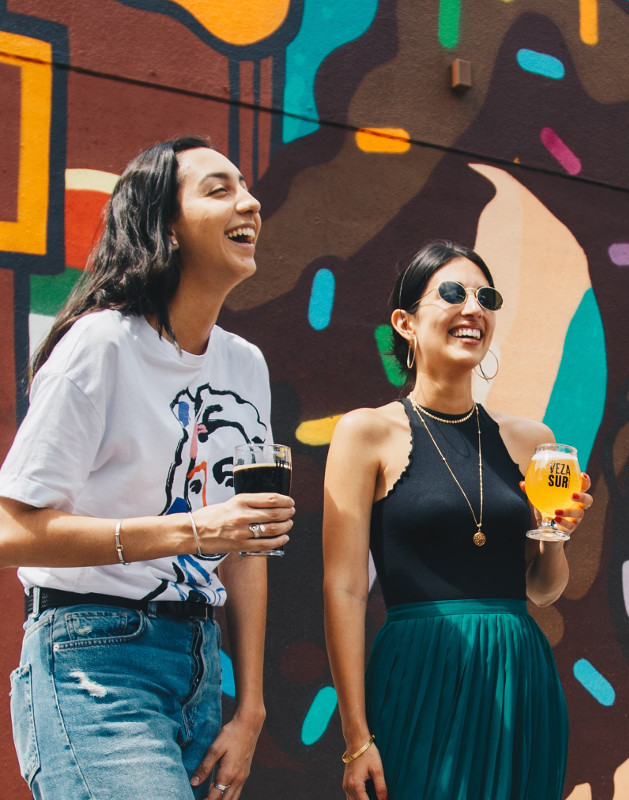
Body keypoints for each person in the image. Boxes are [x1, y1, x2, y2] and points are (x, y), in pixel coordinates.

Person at [0, 137, 294, 800]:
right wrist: (193, 531)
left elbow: (244, 546)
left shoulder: (245, 366)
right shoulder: (101, 345)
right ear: (165, 225)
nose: (248, 201)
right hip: (92, 656)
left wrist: (250, 710)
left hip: (196, 663)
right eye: (218, 189)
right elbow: (11, 530)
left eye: (245, 188)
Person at [322, 240, 592, 800]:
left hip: (518, 673)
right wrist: (355, 736)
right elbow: (344, 589)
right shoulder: (365, 432)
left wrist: (555, 535)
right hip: (419, 673)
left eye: (485, 296)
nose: (473, 308)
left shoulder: (534, 442)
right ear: (405, 323)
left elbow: (544, 590)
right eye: (451, 293)